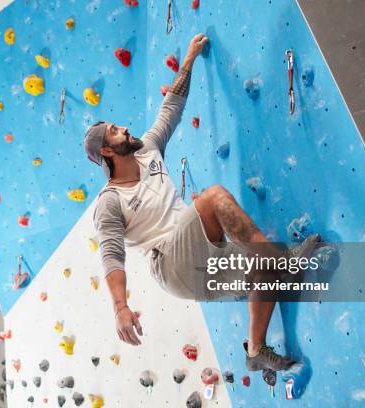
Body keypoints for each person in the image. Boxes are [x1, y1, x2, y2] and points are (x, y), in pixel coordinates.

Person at [83, 33, 318, 371]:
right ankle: (284, 261)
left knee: (260, 268)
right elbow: (111, 255)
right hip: (170, 265)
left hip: (200, 253)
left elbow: (171, 107)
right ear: (107, 151)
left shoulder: (148, 149)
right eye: (115, 132)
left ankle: (255, 351)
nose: (124, 130)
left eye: (119, 125)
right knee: (213, 198)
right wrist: (120, 307)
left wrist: (190, 59)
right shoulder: (110, 201)